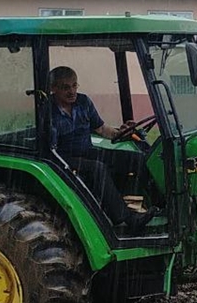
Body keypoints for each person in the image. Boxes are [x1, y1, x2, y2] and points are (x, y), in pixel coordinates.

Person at [49, 66, 157, 234]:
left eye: (74, 85)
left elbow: (101, 129)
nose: (72, 91)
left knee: (137, 159)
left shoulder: (83, 102)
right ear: (53, 88)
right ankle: (127, 219)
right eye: (65, 87)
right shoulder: (47, 111)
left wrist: (121, 133)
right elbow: (51, 148)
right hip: (62, 157)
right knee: (97, 168)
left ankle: (149, 206)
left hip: (87, 150)